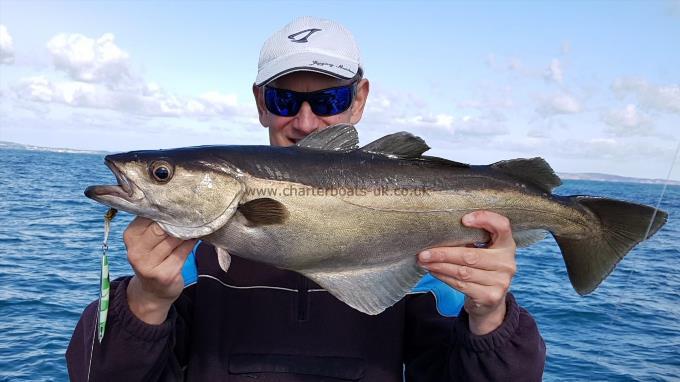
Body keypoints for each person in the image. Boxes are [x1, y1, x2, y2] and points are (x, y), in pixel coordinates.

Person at [67, 16, 545, 381]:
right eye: (283, 100)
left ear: (359, 100)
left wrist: (489, 316)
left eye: (330, 100)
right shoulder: (185, 263)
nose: (305, 121)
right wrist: (146, 303)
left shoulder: (428, 272)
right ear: (260, 103)